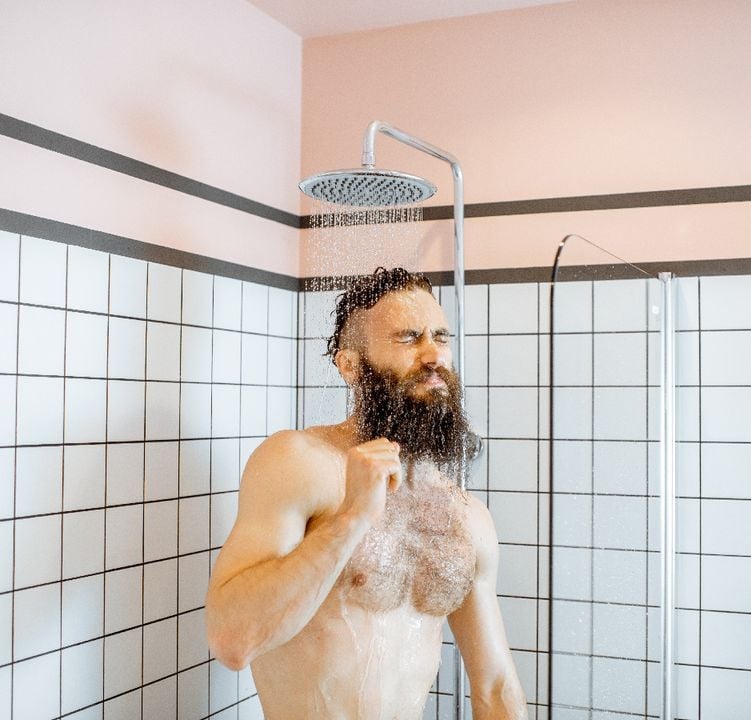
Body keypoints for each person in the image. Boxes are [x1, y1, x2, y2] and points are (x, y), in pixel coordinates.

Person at [206, 267, 527, 719]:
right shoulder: (299, 462)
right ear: (350, 364)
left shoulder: (466, 514)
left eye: (441, 336)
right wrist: (351, 518)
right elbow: (232, 641)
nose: (433, 353)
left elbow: (494, 686)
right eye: (409, 338)